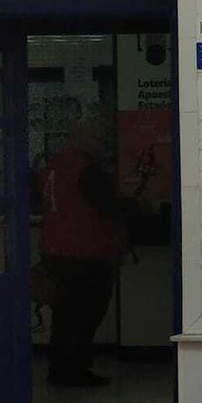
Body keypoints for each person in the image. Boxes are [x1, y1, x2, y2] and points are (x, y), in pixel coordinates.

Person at [39, 118, 126, 388]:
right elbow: (108, 206)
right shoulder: (87, 169)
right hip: (85, 251)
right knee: (85, 315)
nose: (104, 144)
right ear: (84, 139)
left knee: (64, 315)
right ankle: (74, 371)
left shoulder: (53, 164)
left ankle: (61, 369)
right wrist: (136, 205)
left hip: (54, 248)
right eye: (99, 139)